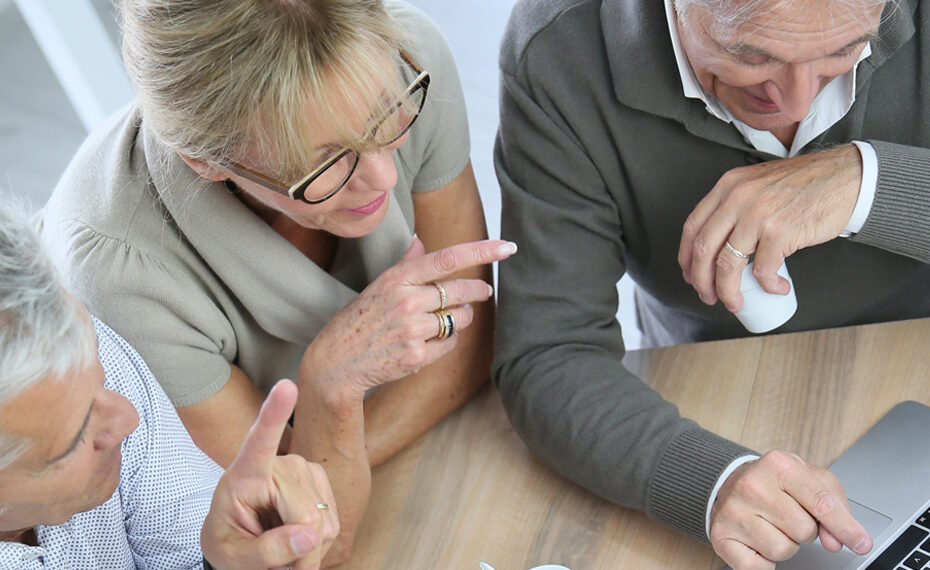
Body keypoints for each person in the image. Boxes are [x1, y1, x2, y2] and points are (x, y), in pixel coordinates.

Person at [40, 0, 515, 562]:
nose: (384, 174)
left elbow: (471, 348)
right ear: (205, 161)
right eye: (328, 162)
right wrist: (331, 384)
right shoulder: (116, 272)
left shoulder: (401, 61)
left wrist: (327, 454)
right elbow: (291, 526)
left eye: (382, 118)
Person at [493, 0, 929, 568]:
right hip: (708, 386)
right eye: (752, 56)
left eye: (845, 50)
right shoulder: (559, 50)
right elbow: (549, 350)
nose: (799, 102)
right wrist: (709, 480)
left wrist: (865, 184)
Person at [0, 201, 339, 569]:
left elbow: (191, 550)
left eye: (101, 377)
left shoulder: (64, 353)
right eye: (77, 435)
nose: (129, 418)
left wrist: (229, 561)